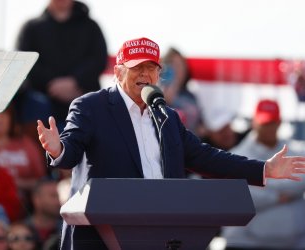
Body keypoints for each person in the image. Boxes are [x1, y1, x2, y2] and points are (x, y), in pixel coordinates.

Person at [37, 37, 305, 250]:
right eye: (136, 68)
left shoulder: (166, 114)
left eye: (151, 68)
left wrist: (263, 169)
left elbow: (204, 156)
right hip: (103, 235)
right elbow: (70, 150)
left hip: (159, 233)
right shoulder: (91, 106)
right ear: (118, 72)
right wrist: (57, 148)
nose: (145, 74)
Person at [221, 99, 305, 250]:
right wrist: (278, 195)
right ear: (254, 122)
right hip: (244, 242)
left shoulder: (298, 151)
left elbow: (299, 182)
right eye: (263, 122)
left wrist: (260, 182)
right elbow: (241, 196)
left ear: (279, 122)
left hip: (291, 242)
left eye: (271, 122)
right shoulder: (236, 155)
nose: (267, 127)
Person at [16, 0, 108, 131]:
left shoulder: (91, 27)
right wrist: (52, 84)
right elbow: (25, 63)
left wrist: (75, 81)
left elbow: (98, 60)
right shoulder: (31, 28)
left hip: (82, 97)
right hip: (43, 104)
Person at [158, 47, 204, 136]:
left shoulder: (190, 96)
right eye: (174, 65)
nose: (179, 70)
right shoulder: (158, 94)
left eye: (181, 65)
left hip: (192, 144)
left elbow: (200, 124)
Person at [24, 178, 62, 248]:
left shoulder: (67, 231)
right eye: (53, 196)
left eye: (60, 196)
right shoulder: (21, 231)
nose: (58, 201)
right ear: (37, 199)